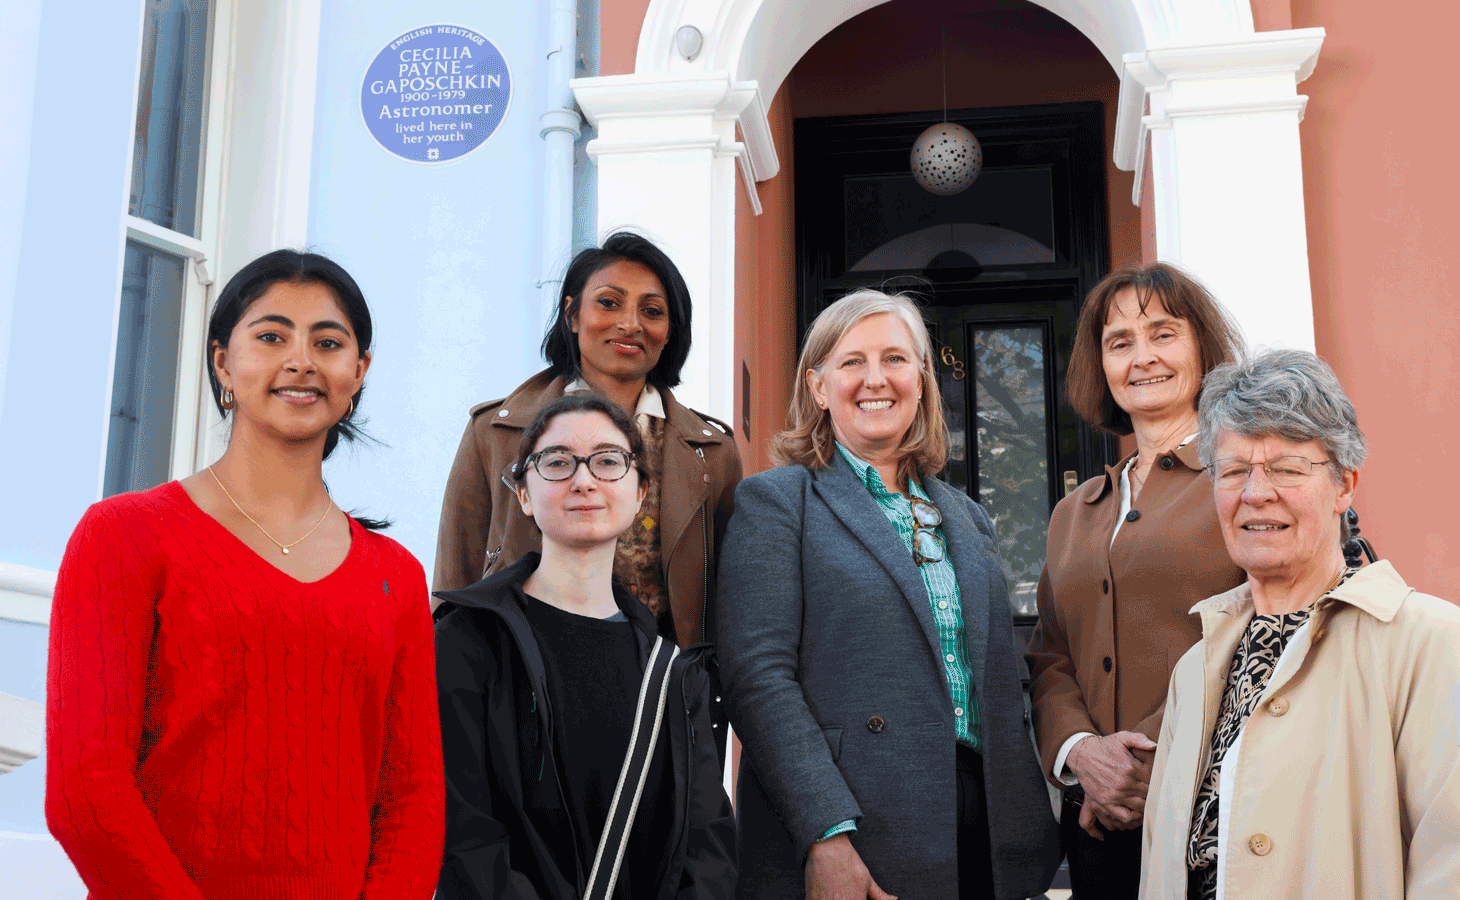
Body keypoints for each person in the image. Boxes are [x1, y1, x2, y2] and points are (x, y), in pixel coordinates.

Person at [45, 249, 444, 899]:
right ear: (224, 363)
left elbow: (413, 800)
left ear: (359, 372)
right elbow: (86, 791)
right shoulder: (123, 536)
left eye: (328, 341)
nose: (300, 360)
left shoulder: (394, 576)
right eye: (271, 335)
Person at [717, 289, 1060, 900]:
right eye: (852, 362)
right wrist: (825, 833)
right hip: (857, 819)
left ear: (922, 382)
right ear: (818, 388)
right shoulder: (777, 502)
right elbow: (758, 679)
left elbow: (1000, 677)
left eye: (897, 359)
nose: (876, 379)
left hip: (984, 822)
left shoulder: (968, 516)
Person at [1140, 349, 1460, 900]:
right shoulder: (1196, 668)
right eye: (1235, 471)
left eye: (1287, 469)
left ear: (1344, 486)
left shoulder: (1430, 643)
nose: (1256, 492)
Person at [434, 393, 736, 900]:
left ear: (640, 492)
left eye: (608, 461)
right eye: (556, 462)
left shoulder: (671, 674)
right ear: (524, 495)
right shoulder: (466, 640)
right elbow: (466, 834)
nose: (583, 479)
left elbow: (707, 847)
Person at [1023, 263, 1247, 898]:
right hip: (1095, 828)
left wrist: (1138, 761)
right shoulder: (1074, 511)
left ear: (1203, 347)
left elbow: (1263, 630)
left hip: (1212, 808)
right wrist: (1083, 756)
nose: (1141, 357)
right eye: (1119, 342)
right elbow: (1050, 654)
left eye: (1163, 334)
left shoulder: (1244, 480)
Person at [434, 232, 743, 652]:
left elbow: (729, 600)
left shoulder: (713, 454)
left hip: (662, 689)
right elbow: (456, 574)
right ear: (573, 314)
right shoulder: (495, 433)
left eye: (652, 311)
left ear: (670, 331)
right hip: (521, 677)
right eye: (609, 302)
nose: (630, 324)